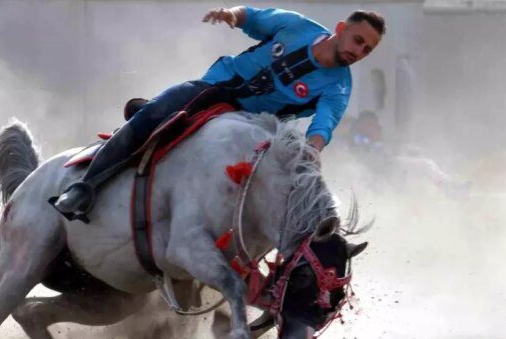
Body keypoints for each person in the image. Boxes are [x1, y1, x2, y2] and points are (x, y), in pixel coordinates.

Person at [53, 6, 385, 219]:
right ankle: (85, 187)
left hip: (254, 126)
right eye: (357, 41)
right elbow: (252, 18)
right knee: (154, 113)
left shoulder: (339, 86)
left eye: (367, 49)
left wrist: (313, 150)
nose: (359, 52)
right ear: (341, 28)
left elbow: (324, 124)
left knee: (275, 188)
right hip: (216, 89)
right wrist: (230, 14)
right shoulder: (298, 26)